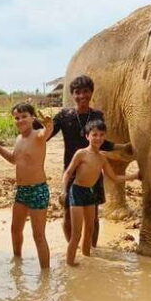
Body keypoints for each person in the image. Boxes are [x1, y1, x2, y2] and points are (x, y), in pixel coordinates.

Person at [48, 74, 131, 245]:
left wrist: (121, 147)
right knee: (68, 214)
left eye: (85, 92)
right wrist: (38, 123)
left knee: (93, 217)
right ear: (72, 95)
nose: (82, 96)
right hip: (71, 172)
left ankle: (93, 250)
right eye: (77, 92)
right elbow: (46, 135)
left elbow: (100, 141)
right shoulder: (64, 116)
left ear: (91, 93)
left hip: (93, 172)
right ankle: (72, 247)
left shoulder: (97, 116)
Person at [0, 103, 54, 269]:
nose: (20, 120)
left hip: (38, 190)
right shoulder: (18, 139)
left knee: (38, 236)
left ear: (32, 118)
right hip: (21, 191)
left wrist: (49, 123)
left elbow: (47, 132)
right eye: (17, 118)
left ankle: (45, 276)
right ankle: (17, 264)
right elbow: (12, 159)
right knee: (15, 230)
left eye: (24, 116)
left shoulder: (38, 135)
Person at [62, 120, 140, 266]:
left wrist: (134, 176)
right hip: (77, 192)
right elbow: (68, 173)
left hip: (90, 193)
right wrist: (63, 191)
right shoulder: (81, 154)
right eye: (94, 134)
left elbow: (115, 178)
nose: (98, 138)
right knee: (77, 233)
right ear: (87, 136)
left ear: (104, 137)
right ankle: (70, 265)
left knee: (90, 229)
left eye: (101, 135)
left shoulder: (102, 158)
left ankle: (86, 257)